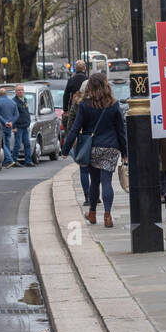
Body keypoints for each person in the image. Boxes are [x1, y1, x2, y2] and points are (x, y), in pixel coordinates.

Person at [61, 72, 128, 227]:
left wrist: (65, 149)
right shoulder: (113, 104)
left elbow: (75, 128)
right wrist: (124, 153)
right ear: (105, 85)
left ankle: (92, 213)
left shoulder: (85, 105)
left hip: (92, 147)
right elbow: (121, 131)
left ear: (89, 86)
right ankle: (107, 216)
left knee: (94, 182)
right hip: (111, 148)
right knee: (107, 182)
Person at [0, 85, 19, 170]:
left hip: (2, 126)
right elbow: (16, 115)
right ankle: (6, 162)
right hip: (10, 127)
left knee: (3, 144)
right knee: (7, 143)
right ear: (6, 94)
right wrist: (11, 122)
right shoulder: (13, 102)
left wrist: (5, 122)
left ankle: (9, 159)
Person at [13, 84, 34, 167]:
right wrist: (13, 126)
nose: (20, 91)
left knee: (27, 144)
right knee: (17, 144)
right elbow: (13, 115)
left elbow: (26, 112)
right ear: (16, 92)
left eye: (22, 90)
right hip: (18, 126)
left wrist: (28, 121)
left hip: (25, 126)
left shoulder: (25, 100)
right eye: (18, 90)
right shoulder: (14, 101)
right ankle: (14, 160)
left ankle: (28, 161)